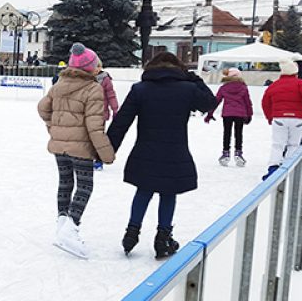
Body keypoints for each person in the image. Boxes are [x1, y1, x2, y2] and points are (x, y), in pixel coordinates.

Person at [107, 52, 216, 259]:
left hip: (145, 150)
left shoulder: (140, 89)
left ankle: (131, 233)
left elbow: (122, 121)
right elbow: (209, 103)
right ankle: (163, 239)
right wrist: (195, 79)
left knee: (143, 191)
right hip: (174, 151)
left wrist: (108, 148)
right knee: (168, 193)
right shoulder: (188, 89)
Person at [37, 43, 115, 259]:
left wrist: (54, 128)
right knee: (85, 186)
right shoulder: (92, 89)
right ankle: (70, 229)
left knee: (65, 183)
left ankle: (61, 225)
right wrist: (107, 154)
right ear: (90, 68)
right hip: (80, 147)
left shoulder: (59, 84)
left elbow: (42, 108)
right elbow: (94, 126)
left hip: (59, 146)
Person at [204, 68, 253, 167]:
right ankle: (238, 153)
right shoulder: (243, 88)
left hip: (227, 114)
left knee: (227, 133)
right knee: (238, 134)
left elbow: (216, 101)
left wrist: (210, 114)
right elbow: (248, 103)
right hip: (240, 114)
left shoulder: (224, 88)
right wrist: (249, 115)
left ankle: (225, 153)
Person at [93, 60, 119, 172]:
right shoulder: (85, 78)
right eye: (94, 66)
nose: (96, 69)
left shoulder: (105, 79)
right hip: (87, 113)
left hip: (101, 113)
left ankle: (98, 161)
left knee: (99, 138)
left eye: (98, 66)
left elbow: (111, 95)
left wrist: (115, 109)